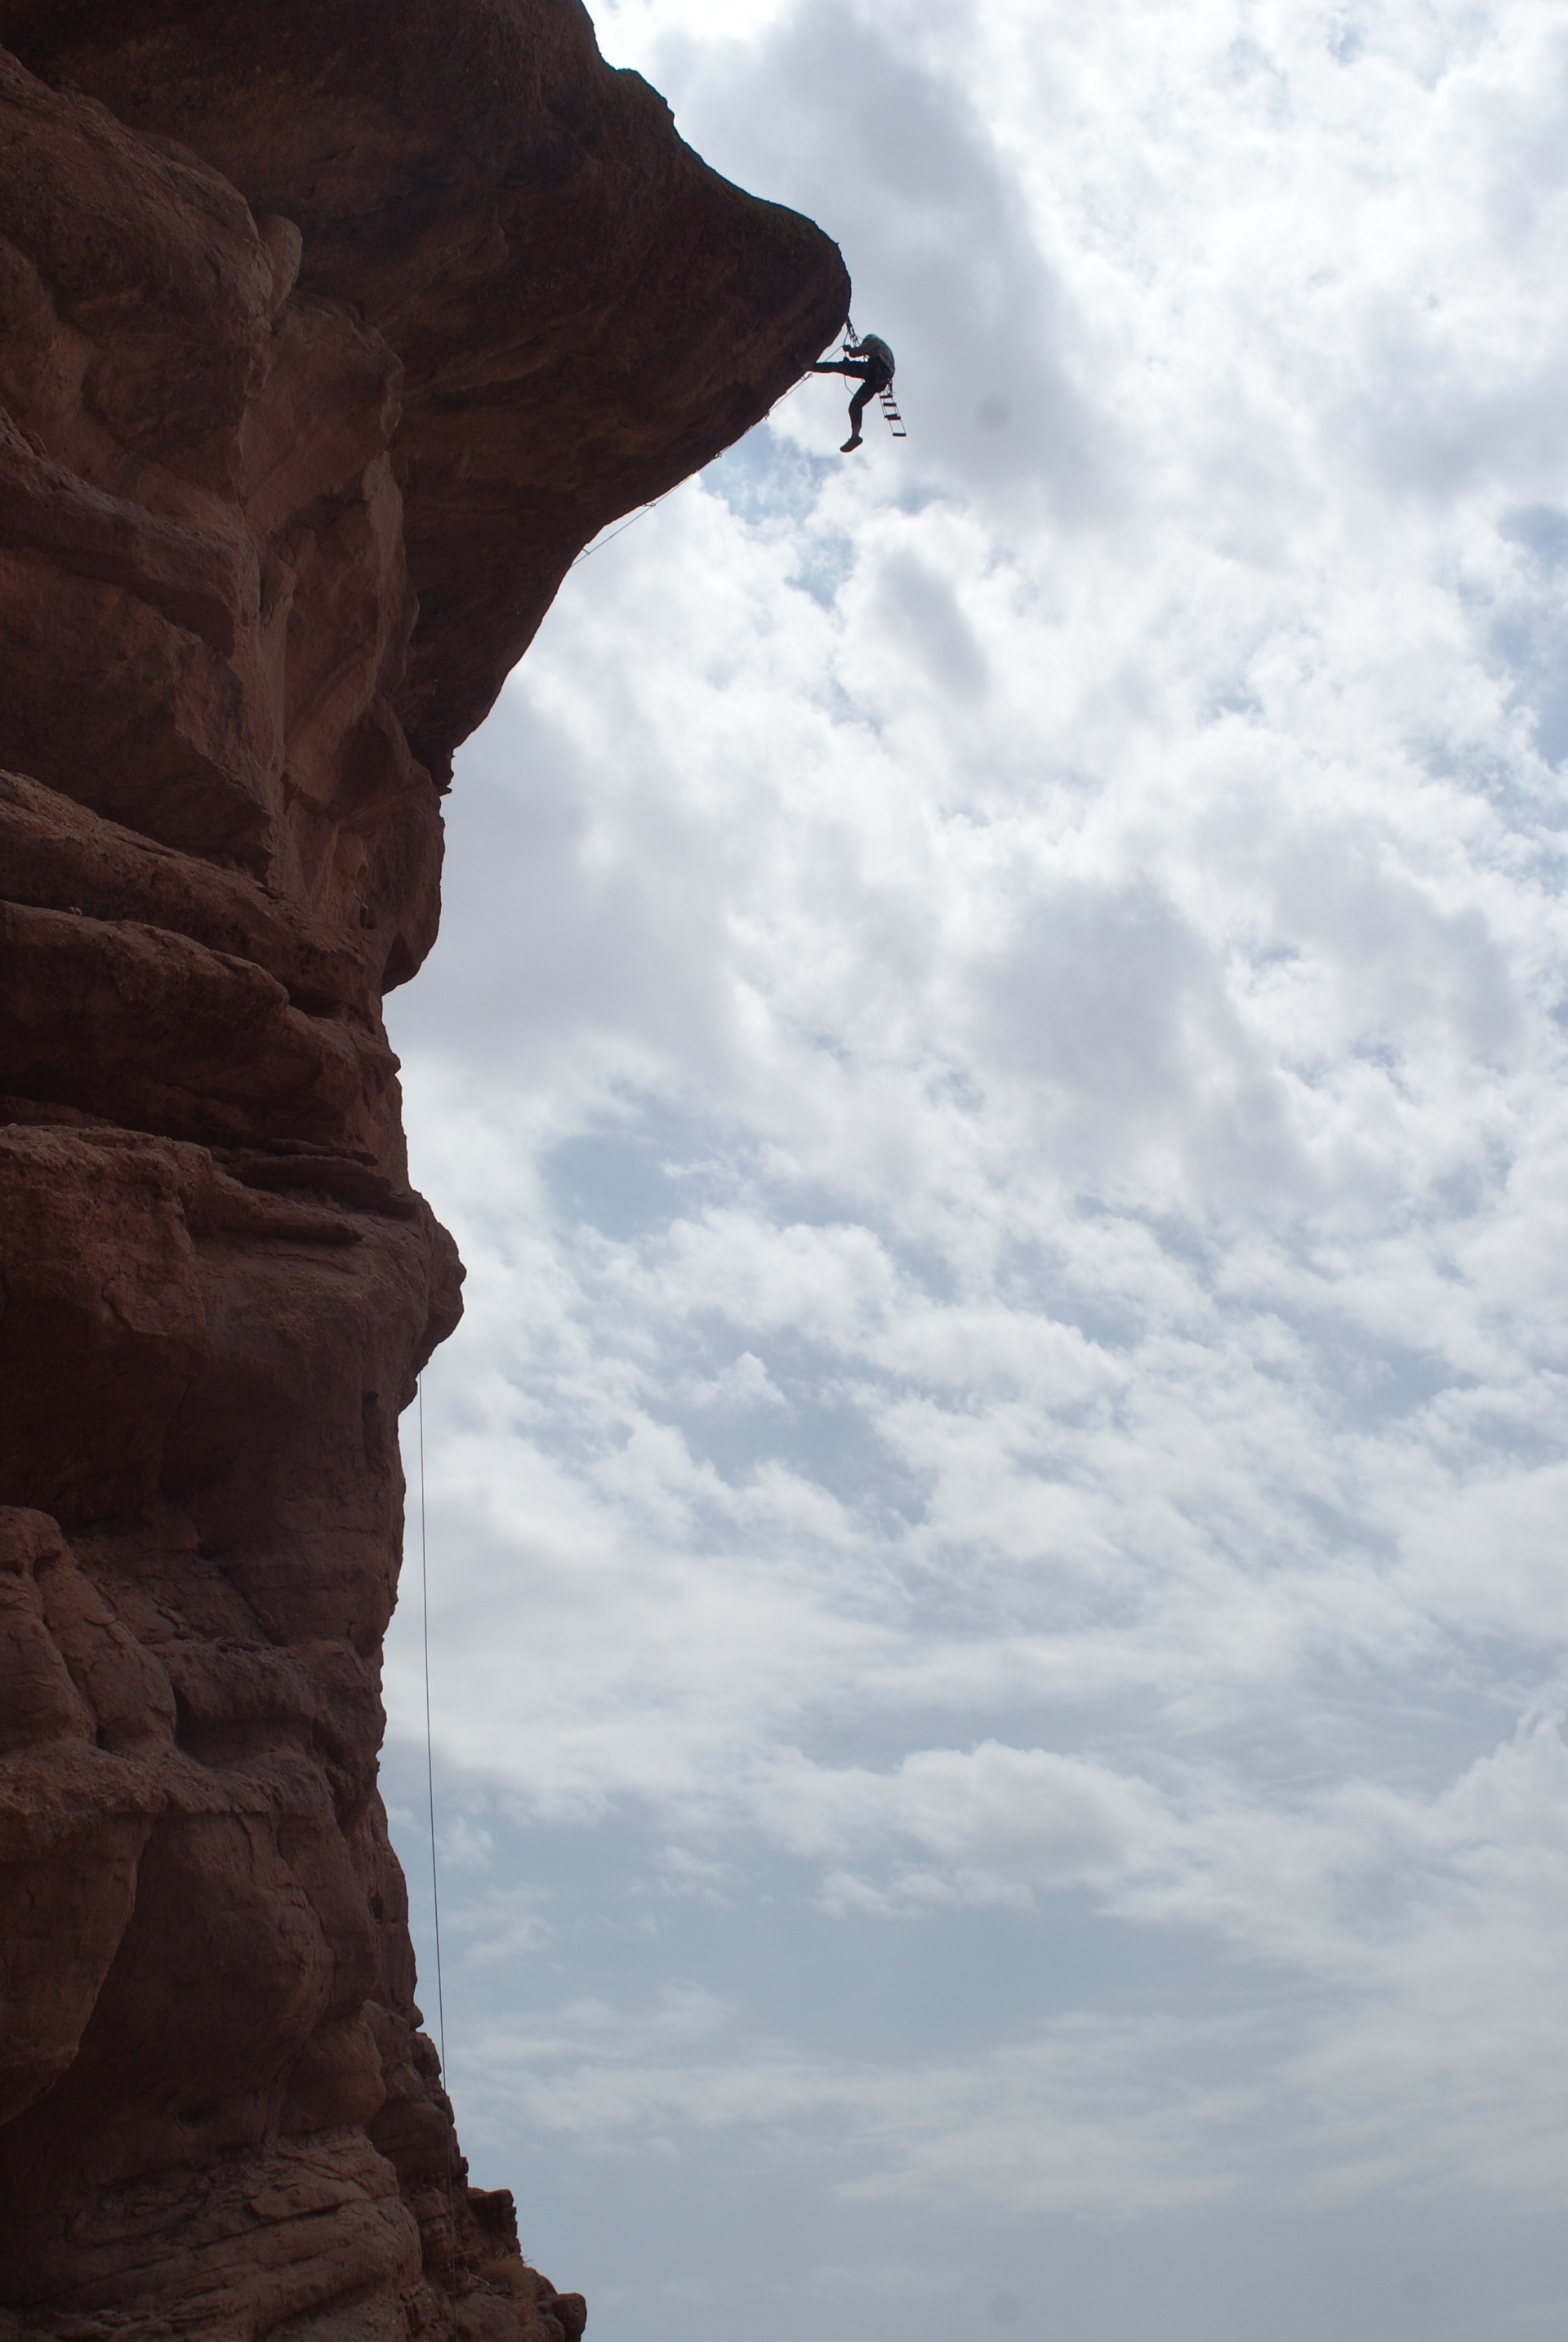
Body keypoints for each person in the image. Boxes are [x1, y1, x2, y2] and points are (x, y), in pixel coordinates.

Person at [811, 333, 895, 452]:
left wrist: (850, 350)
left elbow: (857, 352)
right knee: (855, 406)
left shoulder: (874, 341)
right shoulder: (886, 352)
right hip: (879, 381)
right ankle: (855, 436)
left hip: (874, 371)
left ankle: (807, 367)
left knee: (839, 367)